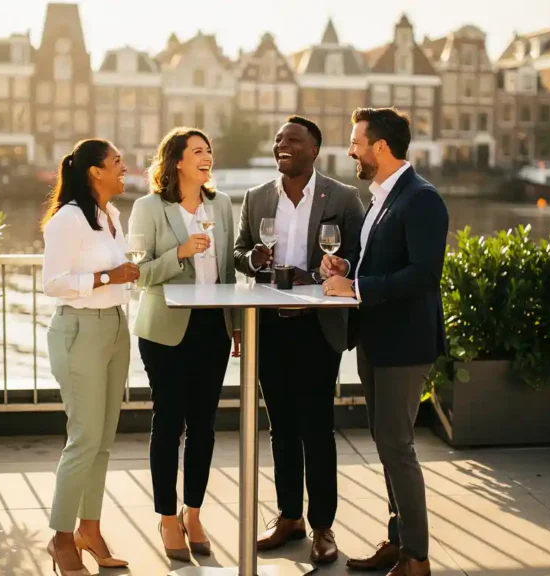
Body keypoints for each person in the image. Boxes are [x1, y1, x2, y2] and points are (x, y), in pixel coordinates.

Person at [321, 107, 449, 576]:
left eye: (356, 142)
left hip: (404, 343)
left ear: (379, 146)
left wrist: (356, 289)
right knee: (385, 442)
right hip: (377, 339)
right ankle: (397, 543)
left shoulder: (422, 199)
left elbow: (423, 274)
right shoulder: (379, 197)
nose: (350, 150)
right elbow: (376, 261)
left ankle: (417, 557)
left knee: (397, 445)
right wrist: (345, 268)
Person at [234, 116, 364, 565]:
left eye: (292, 140)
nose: (281, 145)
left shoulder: (343, 198)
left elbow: (359, 254)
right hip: (269, 325)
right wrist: (252, 258)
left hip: (317, 328)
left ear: (314, 149)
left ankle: (323, 526)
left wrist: (340, 266)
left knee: (316, 428)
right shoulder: (256, 198)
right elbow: (239, 252)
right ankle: (290, 517)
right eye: (278, 140)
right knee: (282, 427)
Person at [128, 127, 240, 563]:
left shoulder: (223, 205)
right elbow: (138, 272)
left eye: (209, 150)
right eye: (197, 151)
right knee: (169, 422)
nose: (206, 156)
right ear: (176, 160)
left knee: (205, 425)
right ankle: (166, 516)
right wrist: (179, 252)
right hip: (166, 331)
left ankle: (193, 512)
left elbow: (227, 271)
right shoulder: (149, 207)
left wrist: (235, 326)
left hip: (212, 330)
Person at [41, 139, 140, 575]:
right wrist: (106, 276)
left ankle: (90, 529)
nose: (125, 168)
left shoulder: (111, 216)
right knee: (83, 439)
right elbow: (54, 283)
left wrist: (124, 276)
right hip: (79, 330)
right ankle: (61, 538)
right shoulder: (67, 219)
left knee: (101, 442)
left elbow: (115, 274)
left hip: (116, 328)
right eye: (117, 162)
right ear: (95, 172)